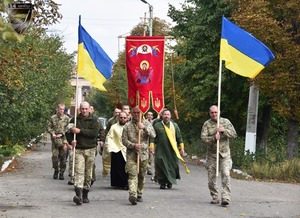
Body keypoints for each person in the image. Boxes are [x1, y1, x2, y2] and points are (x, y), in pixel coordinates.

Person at [200, 105, 237, 206]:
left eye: (216, 112)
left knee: (225, 174)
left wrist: (224, 131)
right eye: (212, 112)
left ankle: (226, 196)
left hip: (224, 154)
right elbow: (203, 138)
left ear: (219, 112)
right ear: (209, 113)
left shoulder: (226, 122)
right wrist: (213, 138)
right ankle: (215, 196)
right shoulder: (207, 124)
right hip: (212, 154)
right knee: (211, 177)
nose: (214, 114)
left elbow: (234, 134)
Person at [66, 101, 100, 205]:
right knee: (79, 171)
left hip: (90, 149)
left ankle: (85, 194)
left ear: (89, 109)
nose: (84, 111)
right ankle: (78, 195)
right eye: (82, 109)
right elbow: (67, 131)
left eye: (86, 109)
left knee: (88, 173)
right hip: (79, 149)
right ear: (80, 109)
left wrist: (80, 131)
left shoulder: (94, 120)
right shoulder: (75, 119)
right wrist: (71, 140)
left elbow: (94, 133)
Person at [122, 106, 156, 205]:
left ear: (141, 113)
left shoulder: (146, 123)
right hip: (131, 154)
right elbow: (124, 140)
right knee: (132, 174)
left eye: (138, 113)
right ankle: (132, 194)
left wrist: (144, 128)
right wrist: (133, 145)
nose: (136, 114)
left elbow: (153, 135)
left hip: (143, 154)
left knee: (141, 175)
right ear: (131, 113)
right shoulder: (127, 125)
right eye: (134, 112)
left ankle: (139, 192)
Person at [151, 109, 187, 189]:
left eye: (168, 115)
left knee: (171, 165)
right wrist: (151, 145)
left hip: (172, 150)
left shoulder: (174, 126)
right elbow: (152, 137)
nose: (166, 116)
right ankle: (162, 182)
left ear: (170, 116)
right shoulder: (157, 126)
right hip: (161, 149)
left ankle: (170, 181)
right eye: (165, 114)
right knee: (160, 164)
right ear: (162, 116)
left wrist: (182, 148)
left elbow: (179, 138)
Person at [106, 111, 128, 189]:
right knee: (119, 167)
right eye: (121, 117)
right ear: (118, 118)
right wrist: (111, 146)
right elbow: (109, 137)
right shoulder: (114, 127)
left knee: (127, 167)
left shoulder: (129, 126)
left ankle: (127, 183)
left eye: (124, 118)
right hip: (117, 148)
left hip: (128, 148)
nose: (123, 119)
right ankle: (120, 183)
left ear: (127, 118)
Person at [47, 103, 70, 180]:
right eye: (60, 109)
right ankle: (56, 170)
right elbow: (49, 127)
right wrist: (53, 133)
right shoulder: (53, 118)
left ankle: (62, 172)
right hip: (55, 141)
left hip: (64, 140)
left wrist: (62, 134)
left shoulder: (66, 118)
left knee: (63, 158)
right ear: (57, 109)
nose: (61, 111)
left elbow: (68, 129)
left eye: (63, 109)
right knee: (55, 157)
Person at [101, 107, 122, 177]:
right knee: (113, 160)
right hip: (113, 143)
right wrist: (104, 141)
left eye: (118, 112)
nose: (117, 114)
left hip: (121, 143)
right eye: (116, 112)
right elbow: (106, 131)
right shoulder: (111, 121)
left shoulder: (123, 120)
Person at [146, 111, 154, 176]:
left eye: (151, 115)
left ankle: (149, 169)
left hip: (151, 142)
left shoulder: (154, 123)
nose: (149, 116)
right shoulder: (144, 122)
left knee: (150, 155)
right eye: (148, 115)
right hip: (145, 141)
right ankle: (145, 168)